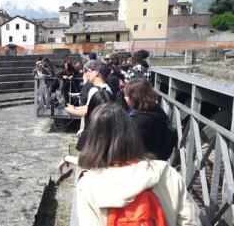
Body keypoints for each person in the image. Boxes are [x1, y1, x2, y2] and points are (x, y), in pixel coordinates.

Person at [66, 104, 201, 225]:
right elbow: (191, 221)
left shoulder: (88, 184)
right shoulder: (165, 172)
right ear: (133, 135)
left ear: (93, 140)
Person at [57, 90, 114, 174]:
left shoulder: (92, 132)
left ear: (91, 109)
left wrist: (66, 158)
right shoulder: (124, 126)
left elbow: (87, 163)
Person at [124, 79, 172, 160]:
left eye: (126, 95)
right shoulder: (155, 109)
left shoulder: (141, 121)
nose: (125, 98)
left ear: (134, 97)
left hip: (144, 162)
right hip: (157, 157)